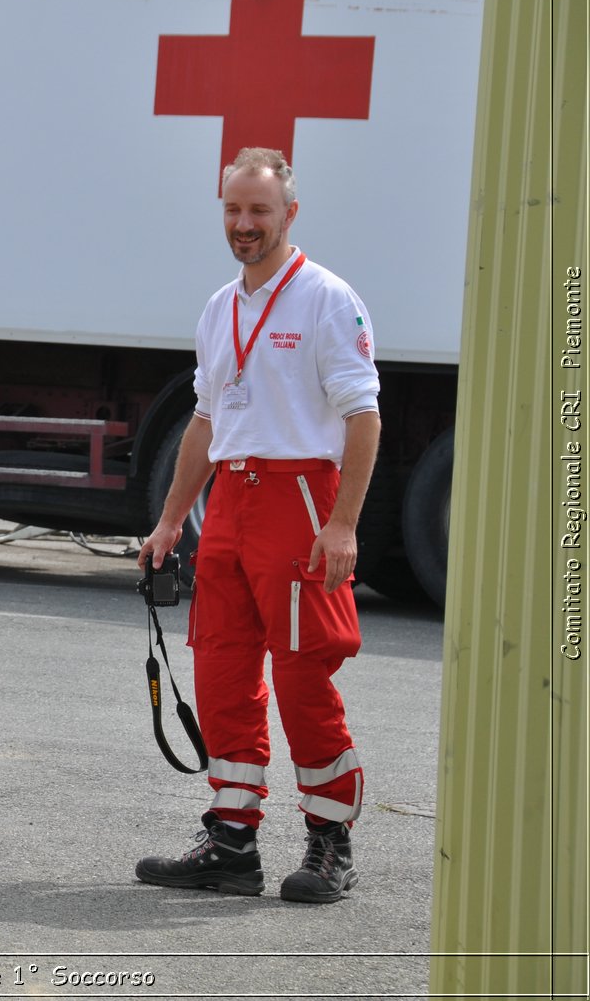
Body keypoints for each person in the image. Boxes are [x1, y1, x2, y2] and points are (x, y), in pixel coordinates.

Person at [135, 148, 381, 904]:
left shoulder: (327, 298)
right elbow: (206, 422)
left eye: (259, 212)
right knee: (222, 670)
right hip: (232, 508)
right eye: (233, 211)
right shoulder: (220, 306)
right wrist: (172, 518)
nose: (244, 225)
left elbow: (364, 416)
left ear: (289, 214)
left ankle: (329, 840)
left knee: (305, 674)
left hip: (300, 499)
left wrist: (342, 525)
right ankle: (232, 840)